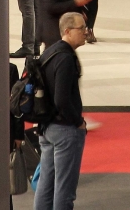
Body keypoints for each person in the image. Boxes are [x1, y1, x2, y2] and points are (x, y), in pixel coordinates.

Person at [34, 12, 89, 210]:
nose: (86, 32)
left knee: (45, 185)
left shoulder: (50, 52)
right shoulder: (65, 58)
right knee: (64, 189)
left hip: (47, 127)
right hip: (65, 129)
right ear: (67, 31)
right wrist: (78, 122)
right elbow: (62, 99)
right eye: (81, 28)